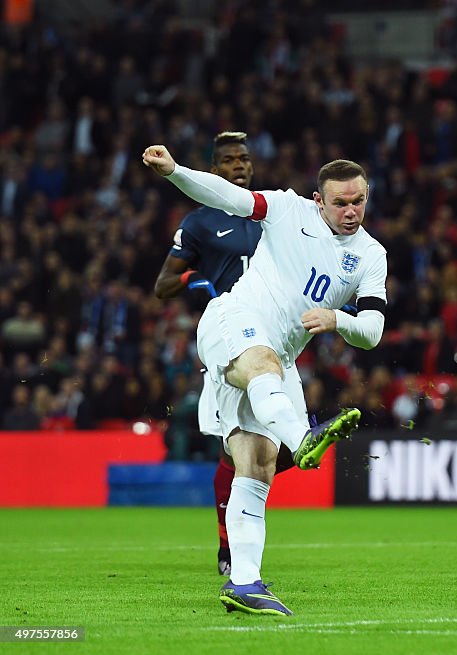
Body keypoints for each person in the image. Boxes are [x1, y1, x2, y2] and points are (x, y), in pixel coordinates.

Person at [142, 143, 388, 616]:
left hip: (281, 357)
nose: (351, 211)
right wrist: (174, 171)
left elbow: (373, 333)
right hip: (234, 318)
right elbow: (224, 196)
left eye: (358, 201)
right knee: (264, 366)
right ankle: (305, 436)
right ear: (319, 201)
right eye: (340, 202)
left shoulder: (372, 255)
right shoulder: (285, 208)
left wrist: (340, 320)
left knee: (257, 465)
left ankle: (244, 582)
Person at [152, 132, 295, 578]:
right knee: (238, 446)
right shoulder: (199, 223)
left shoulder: (271, 215)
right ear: (214, 170)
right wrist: (194, 277)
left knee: (282, 446)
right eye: (229, 160)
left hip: (278, 339)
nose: (239, 165)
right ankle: (228, 547)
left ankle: (235, 535)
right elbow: (162, 286)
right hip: (231, 337)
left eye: (245, 159)